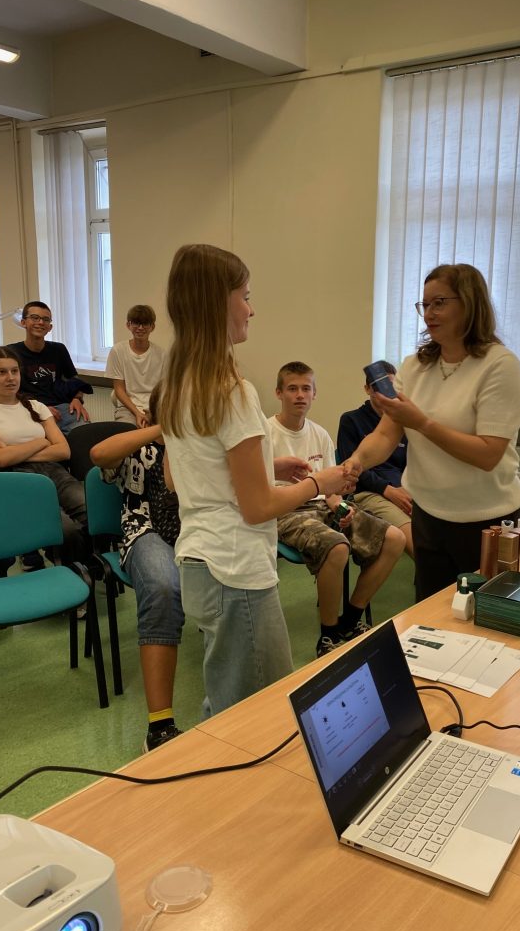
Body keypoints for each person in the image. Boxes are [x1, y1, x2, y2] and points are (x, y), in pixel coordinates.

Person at [159, 244, 355, 717]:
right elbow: (257, 508)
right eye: (245, 297)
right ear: (218, 303)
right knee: (254, 715)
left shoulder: (178, 383)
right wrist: (319, 482)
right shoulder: (231, 391)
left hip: (199, 562)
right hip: (235, 569)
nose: (251, 309)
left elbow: (180, 476)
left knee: (226, 698)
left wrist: (269, 467)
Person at [344, 263, 520, 600]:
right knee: (430, 614)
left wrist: (422, 423)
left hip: (487, 522)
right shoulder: (415, 366)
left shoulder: (500, 365)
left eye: (439, 303)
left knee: (485, 617)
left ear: (469, 304)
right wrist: (356, 462)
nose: (429, 313)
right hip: (429, 516)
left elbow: (488, 454)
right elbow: (385, 435)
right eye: (425, 304)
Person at [270, 361, 405, 657]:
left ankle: (351, 619)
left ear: (314, 393)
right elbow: (262, 493)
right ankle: (328, 635)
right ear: (279, 393)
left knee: (395, 539)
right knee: (337, 546)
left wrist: (341, 506)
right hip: (285, 510)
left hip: (322, 505)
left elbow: (330, 490)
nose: (300, 395)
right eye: (292, 388)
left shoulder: (319, 433)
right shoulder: (266, 434)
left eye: (306, 388)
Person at [90, 383, 184, 752]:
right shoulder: (137, 446)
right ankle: (160, 726)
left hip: (194, 532)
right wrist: (158, 429)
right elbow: (98, 454)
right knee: (162, 586)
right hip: (145, 531)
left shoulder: (195, 445)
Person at [0, 346, 88, 565]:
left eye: (14, 371)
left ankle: (86, 565)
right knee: (65, 530)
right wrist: (41, 442)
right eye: (1, 372)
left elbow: (63, 450)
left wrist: (11, 449)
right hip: (17, 479)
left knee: (90, 512)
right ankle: (72, 571)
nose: (10, 378)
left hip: (54, 471)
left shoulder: (36, 406)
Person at [337, 361, 414, 559]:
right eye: (378, 387)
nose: (385, 393)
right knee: (418, 543)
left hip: (402, 490)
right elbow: (353, 469)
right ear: (367, 389)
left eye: (391, 387)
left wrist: (406, 490)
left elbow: (409, 465)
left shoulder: (402, 421)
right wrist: (388, 490)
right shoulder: (351, 420)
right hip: (369, 492)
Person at [8, 301, 92, 436]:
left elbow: (74, 380)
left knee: (87, 436)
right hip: (29, 410)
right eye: (35, 318)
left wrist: (77, 399)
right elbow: (10, 392)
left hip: (63, 409)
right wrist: (40, 409)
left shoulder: (59, 349)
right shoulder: (11, 353)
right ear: (23, 322)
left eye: (45, 319)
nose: (41, 322)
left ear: (50, 327)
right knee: (46, 443)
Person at [105, 304, 167, 427]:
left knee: (163, 433)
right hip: (127, 408)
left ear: (152, 327)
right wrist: (137, 413)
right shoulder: (118, 351)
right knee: (127, 433)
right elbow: (119, 389)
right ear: (128, 325)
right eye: (136, 323)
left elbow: (164, 390)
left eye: (145, 324)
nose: (140, 328)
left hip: (154, 409)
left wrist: (152, 413)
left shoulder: (162, 354)